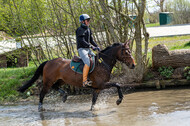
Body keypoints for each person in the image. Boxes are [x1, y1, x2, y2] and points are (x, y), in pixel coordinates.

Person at [76, 14, 100, 87]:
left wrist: (97, 46)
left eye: (89, 20)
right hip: (82, 49)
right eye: (88, 20)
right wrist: (91, 46)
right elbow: (82, 41)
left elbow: (91, 40)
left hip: (88, 49)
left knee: (97, 59)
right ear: (83, 22)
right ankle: (84, 81)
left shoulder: (88, 29)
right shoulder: (79, 30)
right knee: (87, 62)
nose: (89, 21)